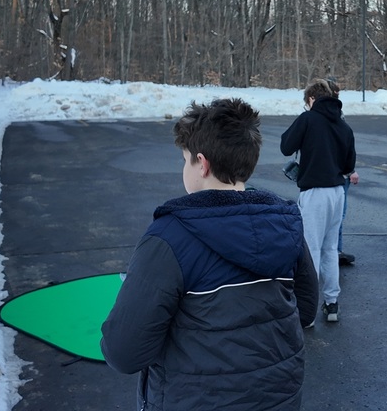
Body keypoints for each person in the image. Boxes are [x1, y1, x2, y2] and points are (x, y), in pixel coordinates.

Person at [101, 98, 318, 411]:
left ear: (201, 164)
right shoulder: (285, 224)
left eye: (185, 159)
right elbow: (306, 310)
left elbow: (123, 352)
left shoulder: (169, 238)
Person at [281, 79, 357, 323]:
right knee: (330, 249)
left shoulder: (308, 119)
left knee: (310, 250)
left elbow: (286, 146)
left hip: (314, 192)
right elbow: (348, 165)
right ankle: (331, 303)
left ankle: (308, 310)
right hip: (337, 191)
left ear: (311, 99)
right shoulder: (344, 126)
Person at [325, 76, 360, 266]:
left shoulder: (310, 117)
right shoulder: (337, 117)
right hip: (337, 174)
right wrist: (350, 170)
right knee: (337, 215)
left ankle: (330, 250)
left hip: (324, 173)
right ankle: (334, 251)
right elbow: (345, 145)